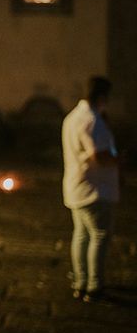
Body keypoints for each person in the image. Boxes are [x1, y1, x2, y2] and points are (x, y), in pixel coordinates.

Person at [62, 76, 120, 303]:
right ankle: (94, 285)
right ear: (103, 96)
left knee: (82, 235)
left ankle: (80, 281)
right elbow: (101, 155)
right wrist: (118, 159)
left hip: (77, 187)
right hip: (96, 189)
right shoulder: (92, 119)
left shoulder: (72, 117)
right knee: (99, 236)